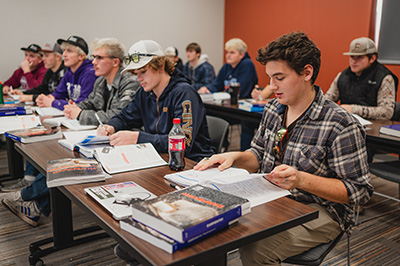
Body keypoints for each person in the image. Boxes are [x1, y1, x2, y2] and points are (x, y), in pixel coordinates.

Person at [194, 31, 373, 266]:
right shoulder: (273, 109)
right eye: (269, 78)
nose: (271, 86)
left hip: (322, 210)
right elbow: (258, 154)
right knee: (213, 226)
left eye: (279, 77)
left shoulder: (340, 124)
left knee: (256, 251)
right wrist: (235, 156)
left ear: (307, 73)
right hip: (274, 199)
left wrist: (301, 180)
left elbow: (358, 192)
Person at [97, 40, 213, 162]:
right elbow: (125, 117)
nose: (139, 78)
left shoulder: (184, 93)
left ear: (161, 66)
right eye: (136, 73)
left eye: (143, 71)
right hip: (161, 158)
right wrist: (112, 126)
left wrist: (138, 138)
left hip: (192, 163)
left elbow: (183, 142)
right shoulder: (145, 92)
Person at [63, 38, 140, 125]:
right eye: (94, 57)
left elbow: (120, 116)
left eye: (99, 58)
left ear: (115, 62)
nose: (93, 62)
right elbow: (90, 103)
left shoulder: (130, 82)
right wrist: (74, 108)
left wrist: (81, 114)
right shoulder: (100, 81)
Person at [325, 37, 398, 120]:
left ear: (372, 58)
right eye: (352, 57)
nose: (354, 61)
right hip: (345, 124)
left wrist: (353, 109)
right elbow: (327, 101)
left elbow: (386, 112)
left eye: (359, 57)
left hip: (373, 128)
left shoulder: (385, 78)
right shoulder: (342, 75)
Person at [35, 35, 97, 110]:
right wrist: (47, 98)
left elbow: (82, 104)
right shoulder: (69, 70)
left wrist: (52, 102)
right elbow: (59, 93)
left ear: (81, 56)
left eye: (69, 51)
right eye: (64, 50)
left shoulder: (90, 73)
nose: (64, 54)